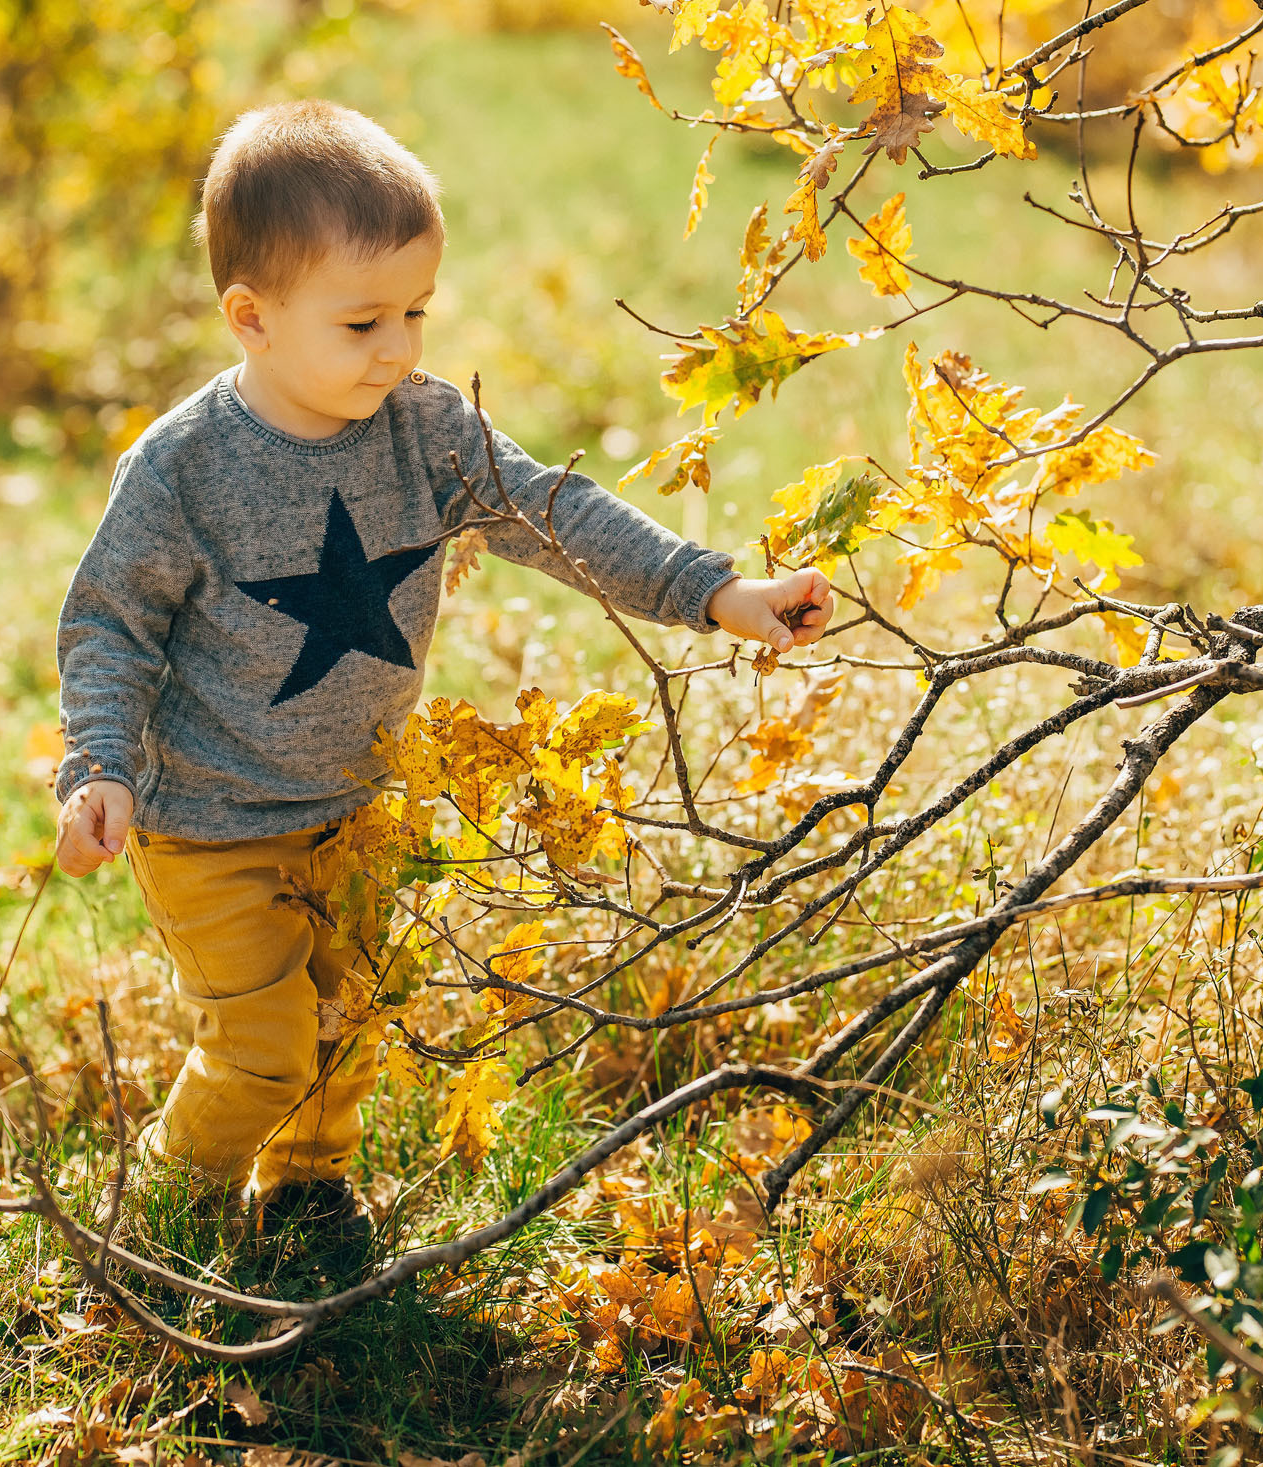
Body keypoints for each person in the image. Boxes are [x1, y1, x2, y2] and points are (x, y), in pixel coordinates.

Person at [49, 98, 832, 1257]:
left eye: (417, 311)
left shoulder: (424, 429)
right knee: (265, 1042)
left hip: (357, 807)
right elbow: (110, 624)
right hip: (209, 823)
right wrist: (98, 765)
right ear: (251, 318)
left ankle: (307, 1188)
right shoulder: (185, 467)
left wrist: (717, 594)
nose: (403, 347)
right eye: (363, 321)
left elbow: (556, 514)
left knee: (349, 1018)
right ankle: (161, 1218)